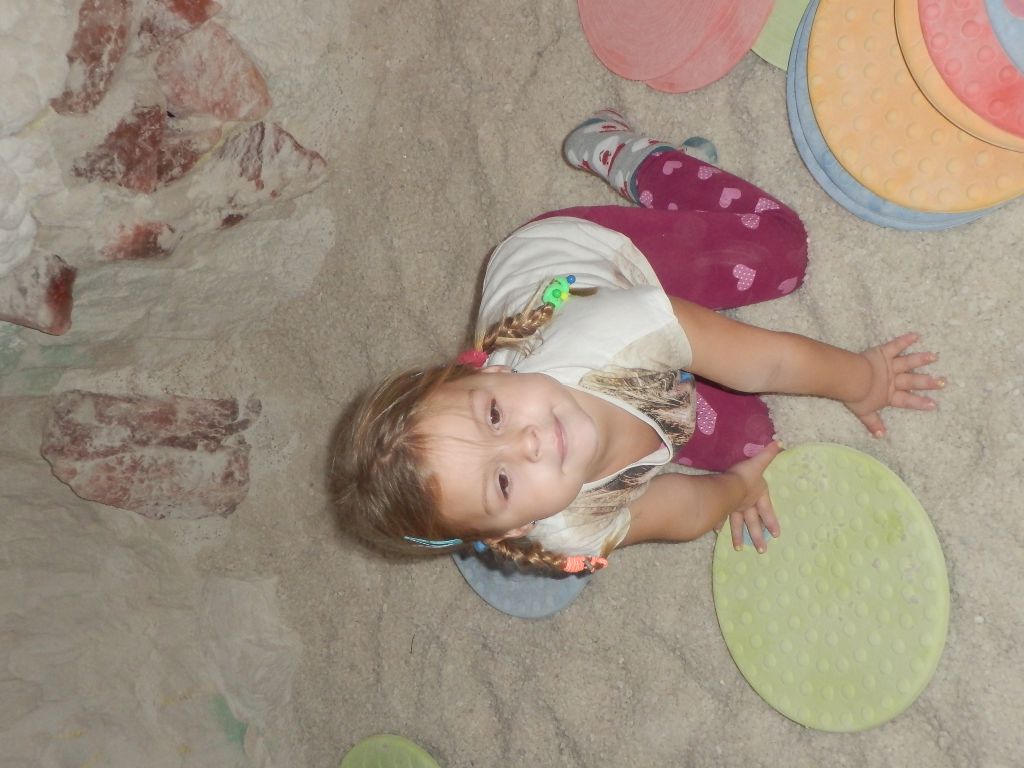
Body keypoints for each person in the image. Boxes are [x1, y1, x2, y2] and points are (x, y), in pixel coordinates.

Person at [334, 110, 944, 576]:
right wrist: (738, 487)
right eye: (503, 483)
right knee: (753, 440)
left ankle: (635, 159)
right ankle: (685, 351)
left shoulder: (614, 331)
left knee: (782, 252)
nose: (526, 443)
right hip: (643, 373)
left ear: (487, 373)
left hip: (589, 262)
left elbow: (769, 362)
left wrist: (864, 380)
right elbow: (682, 512)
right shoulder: (564, 533)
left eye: (493, 415)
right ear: (511, 531)